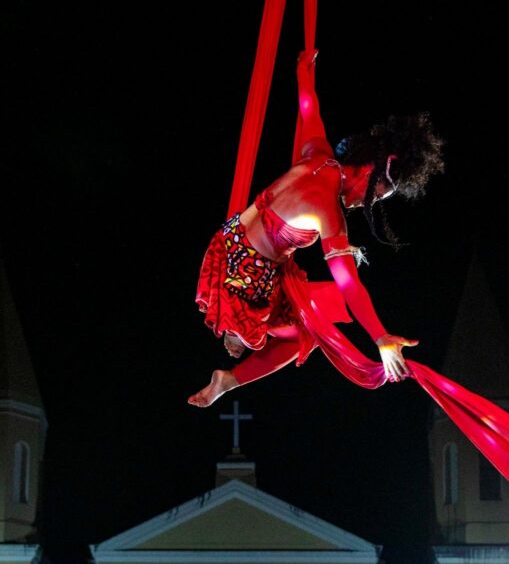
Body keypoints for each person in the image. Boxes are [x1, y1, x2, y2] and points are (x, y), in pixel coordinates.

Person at [188, 49, 444, 407]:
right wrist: (380, 336)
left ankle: (237, 340)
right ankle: (232, 361)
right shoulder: (327, 208)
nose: (363, 204)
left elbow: (309, 108)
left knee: (309, 304)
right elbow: (348, 282)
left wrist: (304, 71)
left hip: (230, 242)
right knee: (308, 332)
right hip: (246, 273)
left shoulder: (317, 153)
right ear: (369, 172)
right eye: (376, 195)